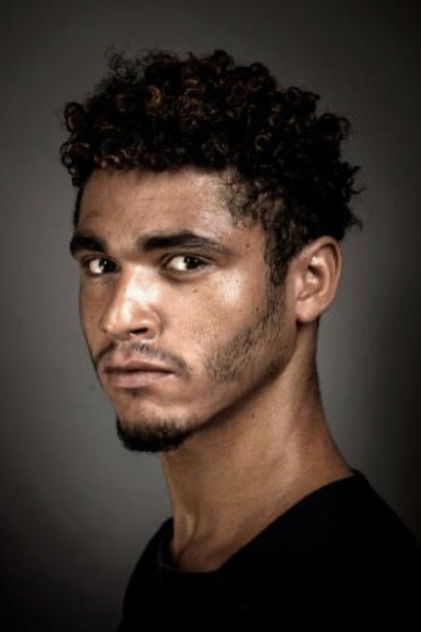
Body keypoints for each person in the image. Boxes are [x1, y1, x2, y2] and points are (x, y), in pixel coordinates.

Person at [61, 49, 419, 629]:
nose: (119, 318)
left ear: (310, 280)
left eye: (185, 261)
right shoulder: (177, 560)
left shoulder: (365, 592)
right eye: (101, 266)